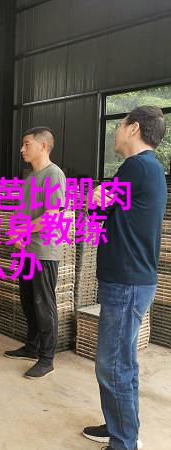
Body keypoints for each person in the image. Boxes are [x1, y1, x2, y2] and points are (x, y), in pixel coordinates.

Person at [82, 106, 167, 450]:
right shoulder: (148, 169)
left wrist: (94, 199)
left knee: (113, 364)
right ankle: (120, 426)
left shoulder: (136, 168)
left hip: (127, 282)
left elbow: (96, 211)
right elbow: (101, 213)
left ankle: (124, 442)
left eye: (119, 125)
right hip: (132, 280)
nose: (115, 133)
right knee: (122, 361)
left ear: (133, 129)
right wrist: (96, 202)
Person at [3, 126, 66, 379]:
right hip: (27, 250)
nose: (22, 149)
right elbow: (23, 213)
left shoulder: (54, 175)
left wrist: (22, 231)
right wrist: (15, 233)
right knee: (28, 302)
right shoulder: (30, 178)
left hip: (44, 251)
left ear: (43, 146)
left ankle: (47, 359)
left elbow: (52, 216)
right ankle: (32, 347)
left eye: (26, 144)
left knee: (43, 305)